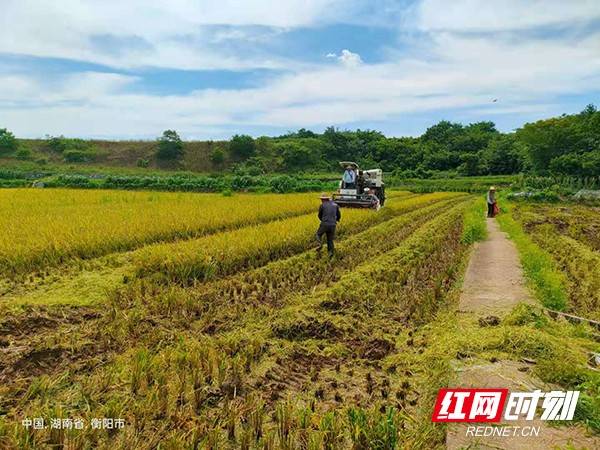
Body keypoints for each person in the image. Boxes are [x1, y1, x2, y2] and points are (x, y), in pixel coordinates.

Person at [316, 193, 341, 257]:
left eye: (321, 199)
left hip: (325, 223)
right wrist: (336, 220)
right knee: (330, 240)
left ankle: (319, 244)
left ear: (323, 199)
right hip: (333, 225)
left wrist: (323, 220)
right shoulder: (335, 205)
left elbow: (319, 215)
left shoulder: (322, 205)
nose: (321, 200)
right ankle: (330, 253)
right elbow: (338, 215)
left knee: (318, 234)